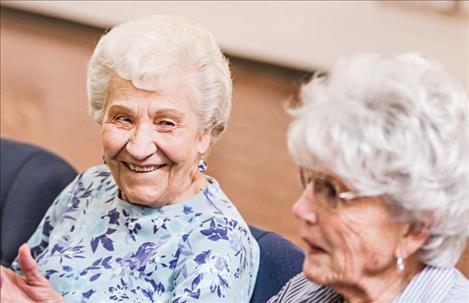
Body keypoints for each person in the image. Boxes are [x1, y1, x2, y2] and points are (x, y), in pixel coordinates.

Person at [0, 15, 259, 303]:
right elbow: (21, 287)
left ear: (205, 134)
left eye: (166, 123)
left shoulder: (217, 241)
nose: (138, 147)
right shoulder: (89, 186)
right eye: (124, 118)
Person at [268, 53, 469, 302]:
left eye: (331, 191)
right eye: (311, 182)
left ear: (415, 228)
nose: (301, 209)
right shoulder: (309, 292)